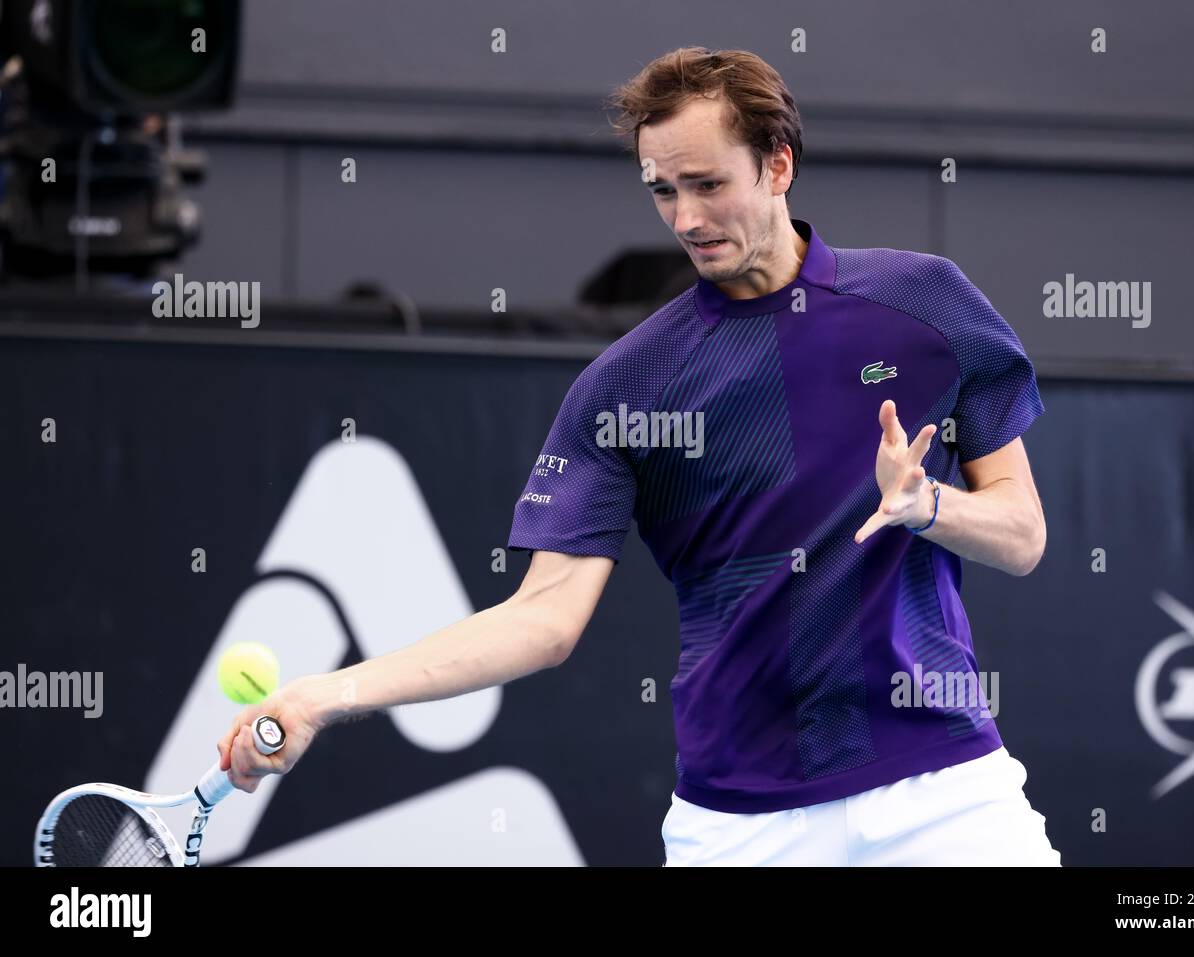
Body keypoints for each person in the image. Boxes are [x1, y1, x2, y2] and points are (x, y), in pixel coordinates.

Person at [219, 46, 1059, 866]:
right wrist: (325, 695)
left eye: (707, 184)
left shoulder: (927, 306)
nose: (686, 218)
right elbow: (541, 620)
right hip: (740, 821)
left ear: (778, 165)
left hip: (943, 790)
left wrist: (929, 507)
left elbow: (1022, 536)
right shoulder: (627, 384)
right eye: (663, 190)